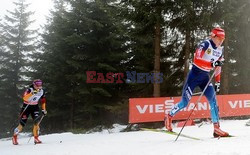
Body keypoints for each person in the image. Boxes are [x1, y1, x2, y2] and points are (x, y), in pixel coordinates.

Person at [164, 27, 229, 137]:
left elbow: (218, 67)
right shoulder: (205, 44)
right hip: (194, 76)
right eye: (219, 38)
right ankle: (169, 116)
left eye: (223, 39)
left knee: (213, 100)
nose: (221, 41)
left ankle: (216, 129)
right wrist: (212, 64)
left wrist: (218, 82)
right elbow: (197, 60)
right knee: (185, 102)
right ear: (213, 36)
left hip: (205, 77)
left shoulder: (220, 50)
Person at [12, 79, 47, 145]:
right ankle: (14, 136)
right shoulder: (29, 90)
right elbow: (24, 98)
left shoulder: (42, 91)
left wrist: (43, 109)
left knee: (36, 122)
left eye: (40, 83)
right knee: (22, 124)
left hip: (35, 107)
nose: (39, 85)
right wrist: (32, 93)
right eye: (37, 84)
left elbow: (43, 101)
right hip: (26, 107)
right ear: (34, 84)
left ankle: (36, 138)